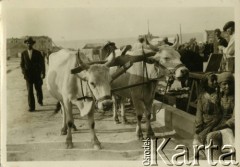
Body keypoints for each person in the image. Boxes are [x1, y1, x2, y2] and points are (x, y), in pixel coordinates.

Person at [205, 72, 235, 159]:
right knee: (206, 135)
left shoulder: (236, 97)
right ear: (220, 85)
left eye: (230, 84)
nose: (227, 86)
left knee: (215, 135)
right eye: (224, 84)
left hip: (231, 125)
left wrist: (224, 125)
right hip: (220, 123)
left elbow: (236, 117)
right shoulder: (219, 97)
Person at [193, 72, 220, 147]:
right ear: (206, 83)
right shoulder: (202, 97)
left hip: (217, 123)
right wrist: (199, 125)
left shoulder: (219, 95)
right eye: (212, 80)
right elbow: (199, 112)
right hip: (205, 123)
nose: (215, 82)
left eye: (215, 80)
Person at [20, 37, 45, 111]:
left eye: (30, 43)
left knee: (38, 89)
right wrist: (24, 72)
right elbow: (22, 64)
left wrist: (43, 73)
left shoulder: (38, 53)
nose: (29, 44)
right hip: (28, 76)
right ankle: (32, 107)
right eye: (27, 43)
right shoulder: (23, 53)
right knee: (30, 91)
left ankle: (40, 100)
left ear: (32, 44)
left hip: (37, 75)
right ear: (26, 44)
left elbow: (42, 64)